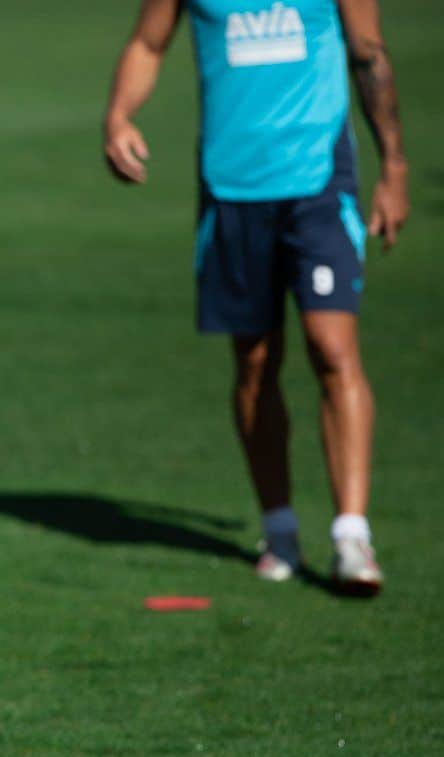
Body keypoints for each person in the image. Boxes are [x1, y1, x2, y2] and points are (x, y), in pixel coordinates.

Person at [103, 0, 409, 595]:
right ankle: (281, 528)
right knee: (255, 361)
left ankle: (351, 534)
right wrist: (118, 116)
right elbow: (147, 43)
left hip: (319, 179)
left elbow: (369, 53)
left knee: (333, 347)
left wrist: (393, 167)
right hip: (232, 186)